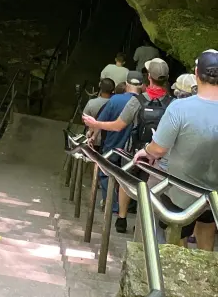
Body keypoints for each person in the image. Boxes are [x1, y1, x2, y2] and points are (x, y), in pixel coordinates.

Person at [134, 49, 218, 251]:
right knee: (207, 228)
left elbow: (159, 149)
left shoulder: (179, 108)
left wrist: (146, 150)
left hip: (181, 190)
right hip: (214, 193)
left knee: (178, 238)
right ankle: (205, 276)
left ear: (196, 74)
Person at [83, 58, 171, 233]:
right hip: (159, 155)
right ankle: (145, 225)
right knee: (154, 188)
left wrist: (96, 124)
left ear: (149, 77)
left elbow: (118, 125)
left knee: (126, 182)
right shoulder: (173, 104)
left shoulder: (137, 101)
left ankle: (121, 218)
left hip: (135, 152)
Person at [87, 71, 143, 214]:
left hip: (113, 143)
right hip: (133, 148)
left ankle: (111, 205)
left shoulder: (115, 99)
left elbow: (102, 121)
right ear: (142, 85)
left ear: (127, 84)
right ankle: (128, 207)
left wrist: (92, 135)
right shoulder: (145, 101)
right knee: (128, 178)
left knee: (106, 174)